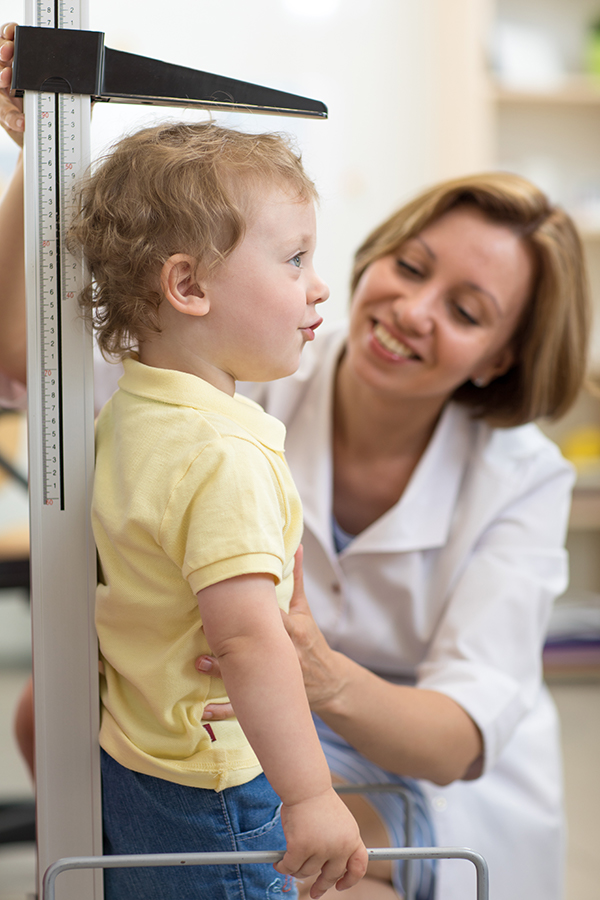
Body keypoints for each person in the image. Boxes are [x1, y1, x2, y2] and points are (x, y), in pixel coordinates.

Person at [0, 22, 591, 900]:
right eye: (411, 265)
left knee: (321, 874)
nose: (414, 310)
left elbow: (455, 739)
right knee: (48, 712)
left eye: (466, 311)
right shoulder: (224, 369)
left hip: (401, 764)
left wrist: (311, 675)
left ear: (501, 357)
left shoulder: (523, 478)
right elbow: (29, 360)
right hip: (216, 727)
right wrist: (36, 156)